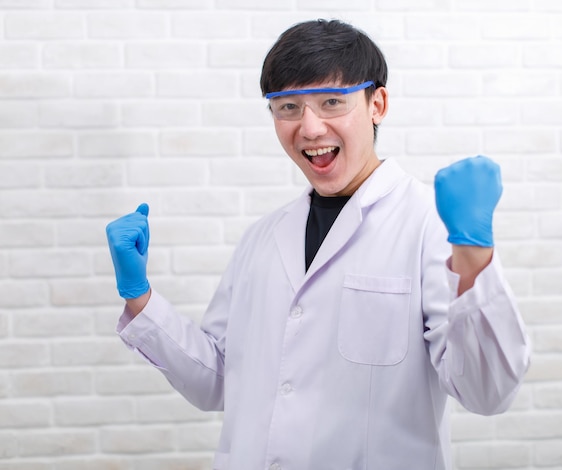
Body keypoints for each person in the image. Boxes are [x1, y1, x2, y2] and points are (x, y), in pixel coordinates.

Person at [106, 19, 530, 470]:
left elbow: (487, 393)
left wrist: (475, 257)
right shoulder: (263, 238)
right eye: (288, 107)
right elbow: (219, 383)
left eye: (332, 102)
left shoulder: (428, 224)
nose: (309, 128)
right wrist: (140, 298)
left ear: (377, 104)